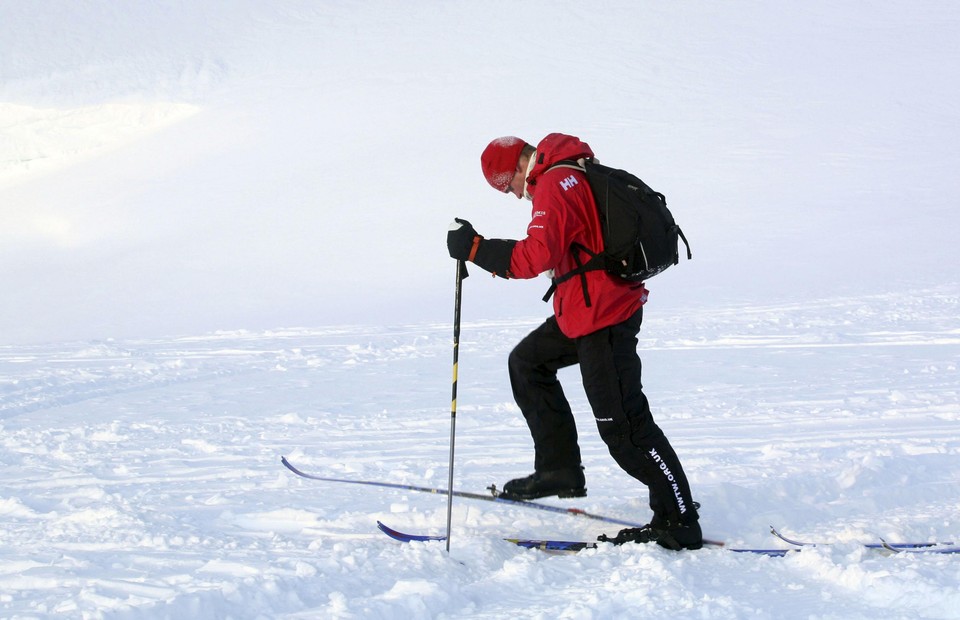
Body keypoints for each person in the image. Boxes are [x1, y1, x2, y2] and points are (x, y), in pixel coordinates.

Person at [446, 133, 701, 550]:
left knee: (625, 429)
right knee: (528, 363)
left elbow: (536, 257)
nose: (513, 196)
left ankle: (679, 519)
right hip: (584, 310)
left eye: (506, 186)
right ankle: (558, 470)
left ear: (513, 172)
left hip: (603, 316)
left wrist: (476, 249)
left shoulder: (552, 182)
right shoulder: (571, 172)